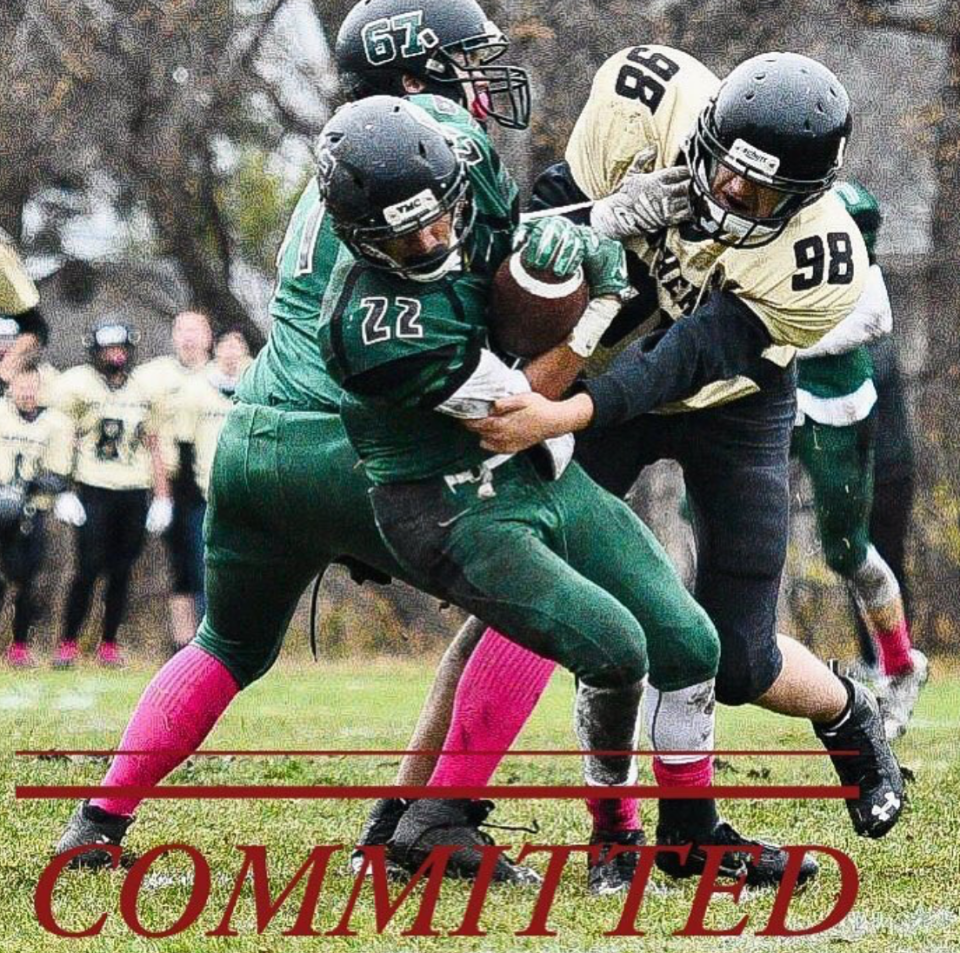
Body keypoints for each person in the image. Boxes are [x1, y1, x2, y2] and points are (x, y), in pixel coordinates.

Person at [364, 46, 905, 893]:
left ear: (804, 199)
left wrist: (563, 413)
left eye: (761, 194)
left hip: (730, 400)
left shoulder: (822, 256)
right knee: (531, 584)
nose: (732, 192)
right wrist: (604, 217)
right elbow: (541, 228)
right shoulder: (645, 98)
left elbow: (689, 355)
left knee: (737, 660)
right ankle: (433, 810)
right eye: (726, 169)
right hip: (605, 353)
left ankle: (849, 713)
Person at [52, 0, 555, 877]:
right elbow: (490, 311)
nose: (481, 80)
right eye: (466, 60)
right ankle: (437, 823)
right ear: (413, 75)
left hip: (256, 437)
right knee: (547, 595)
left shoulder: (344, 159)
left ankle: (97, 824)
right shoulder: (438, 145)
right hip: (352, 442)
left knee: (227, 643)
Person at [316, 94, 770, 890]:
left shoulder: (467, 192)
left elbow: (526, 240)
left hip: (543, 473)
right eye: (403, 235)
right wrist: (600, 307)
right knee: (616, 647)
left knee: (691, 643)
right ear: (358, 237)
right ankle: (614, 835)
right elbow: (520, 408)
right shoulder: (374, 325)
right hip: (453, 504)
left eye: (438, 219)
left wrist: (601, 219)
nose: (431, 242)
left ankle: (690, 835)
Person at [792, 179, 927, 740]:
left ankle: (894, 662)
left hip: (848, 424)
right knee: (721, 517)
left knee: (850, 550)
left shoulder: (862, 292)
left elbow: (874, 319)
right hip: (775, 397)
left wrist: (780, 340)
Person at [50, 321, 172, 668]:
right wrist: (64, 489)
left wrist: (162, 496)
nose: (115, 355)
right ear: (95, 352)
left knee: (122, 571)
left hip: (133, 490)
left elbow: (154, 444)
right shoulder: (78, 385)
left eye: (120, 348)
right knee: (87, 568)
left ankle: (109, 643)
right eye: (108, 349)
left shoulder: (145, 390)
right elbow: (66, 437)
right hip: (93, 488)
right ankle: (68, 642)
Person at [138, 310, 214, 648]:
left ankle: (212, 639)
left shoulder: (221, 376)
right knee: (181, 567)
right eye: (181, 329)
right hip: (171, 482)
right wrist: (161, 494)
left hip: (212, 483)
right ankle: (183, 644)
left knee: (207, 565)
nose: (188, 337)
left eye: (195, 329)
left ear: (209, 337)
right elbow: (149, 434)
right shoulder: (154, 376)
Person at [169, 328, 252, 621]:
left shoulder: (256, 388)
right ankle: (210, 631)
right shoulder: (196, 388)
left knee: (245, 567)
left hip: (246, 494)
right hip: (205, 494)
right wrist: (187, 494)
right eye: (225, 345)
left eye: (237, 345)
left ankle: (244, 629)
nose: (231, 352)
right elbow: (184, 444)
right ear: (215, 349)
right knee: (204, 567)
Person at [0, 369, 74, 667]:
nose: (27, 393)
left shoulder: (55, 423)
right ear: (11, 386)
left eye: (33, 386)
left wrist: (32, 485)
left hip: (31, 512)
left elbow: (59, 474)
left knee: (26, 580)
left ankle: (19, 645)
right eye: (22, 386)